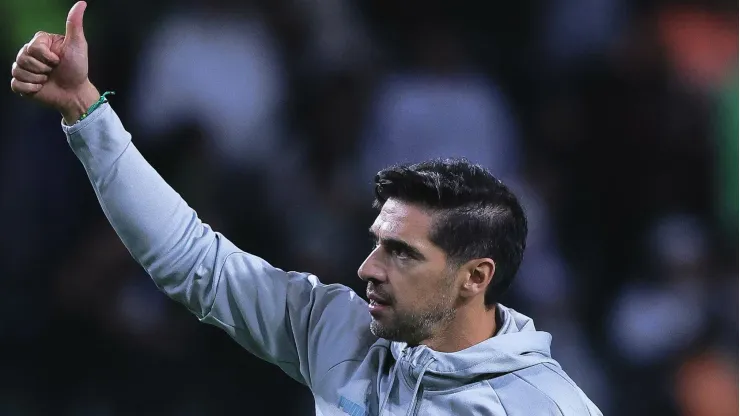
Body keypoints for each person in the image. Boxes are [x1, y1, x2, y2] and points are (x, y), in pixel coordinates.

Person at [10, 3, 603, 415]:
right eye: (377, 242)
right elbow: (192, 259)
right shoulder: (337, 328)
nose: (368, 268)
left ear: (475, 277)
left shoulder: (545, 406)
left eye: (402, 254)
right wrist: (86, 111)